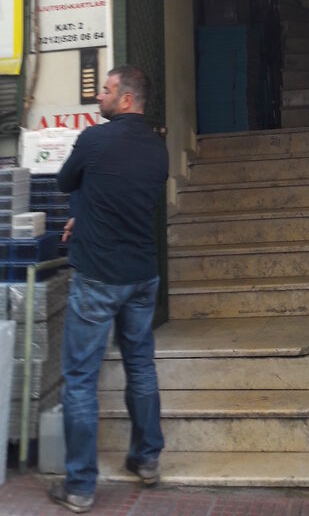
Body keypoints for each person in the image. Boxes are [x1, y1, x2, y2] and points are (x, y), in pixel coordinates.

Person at [49, 65, 169, 514]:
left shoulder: (94, 140)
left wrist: (81, 213)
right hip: (142, 276)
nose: (99, 94)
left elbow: (65, 182)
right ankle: (147, 459)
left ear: (125, 99)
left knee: (79, 380)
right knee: (140, 366)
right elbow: (127, 200)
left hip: (98, 276)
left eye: (106, 89)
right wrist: (89, 214)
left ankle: (80, 485)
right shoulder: (158, 151)